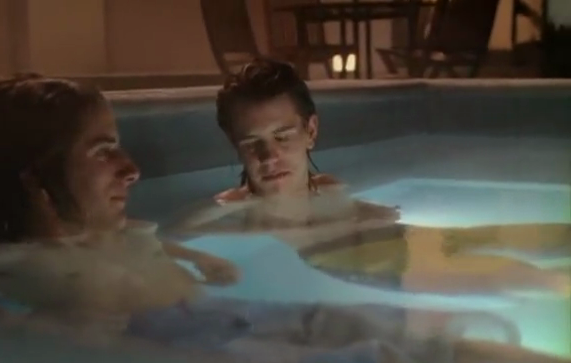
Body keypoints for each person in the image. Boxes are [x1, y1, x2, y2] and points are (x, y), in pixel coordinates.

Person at [0, 74, 569, 363]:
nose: (133, 168)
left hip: (231, 313)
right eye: (103, 151)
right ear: (37, 181)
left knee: (433, 338)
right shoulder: (17, 266)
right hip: (188, 348)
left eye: (118, 147)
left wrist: (197, 259)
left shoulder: (118, 231)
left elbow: (161, 247)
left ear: (311, 132)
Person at [167, 58, 571, 296]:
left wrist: (368, 211)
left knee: (515, 235)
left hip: (401, 239)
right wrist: (198, 257)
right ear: (235, 145)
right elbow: (166, 239)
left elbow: (357, 211)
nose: (269, 156)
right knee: (534, 281)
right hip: (356, 264)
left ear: (311, 131)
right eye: (252, 142)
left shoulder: (329, 188)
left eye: (282, 136)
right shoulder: (223, 212)